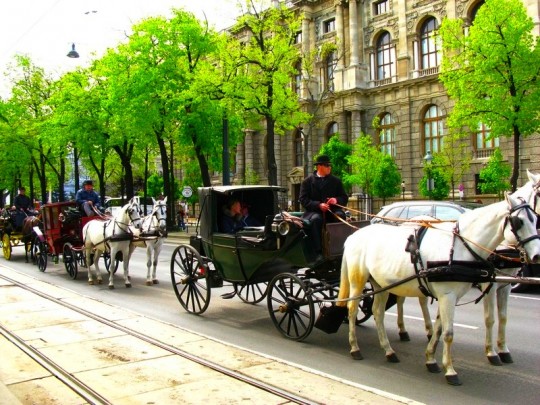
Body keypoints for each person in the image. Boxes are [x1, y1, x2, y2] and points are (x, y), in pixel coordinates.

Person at [299, 155, 349, 260]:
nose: (329, 168)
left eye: (330, 165)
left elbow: (344, 197)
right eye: (327, 165)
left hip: (332, 211)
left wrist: (336, 200)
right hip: (314, 212)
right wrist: (318, 205)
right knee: (317, 220)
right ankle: (318, 252)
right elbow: (303, 199)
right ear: (319, 166)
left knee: (340, 216)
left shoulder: (336, 181)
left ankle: (340, 248)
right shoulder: (307, 182)